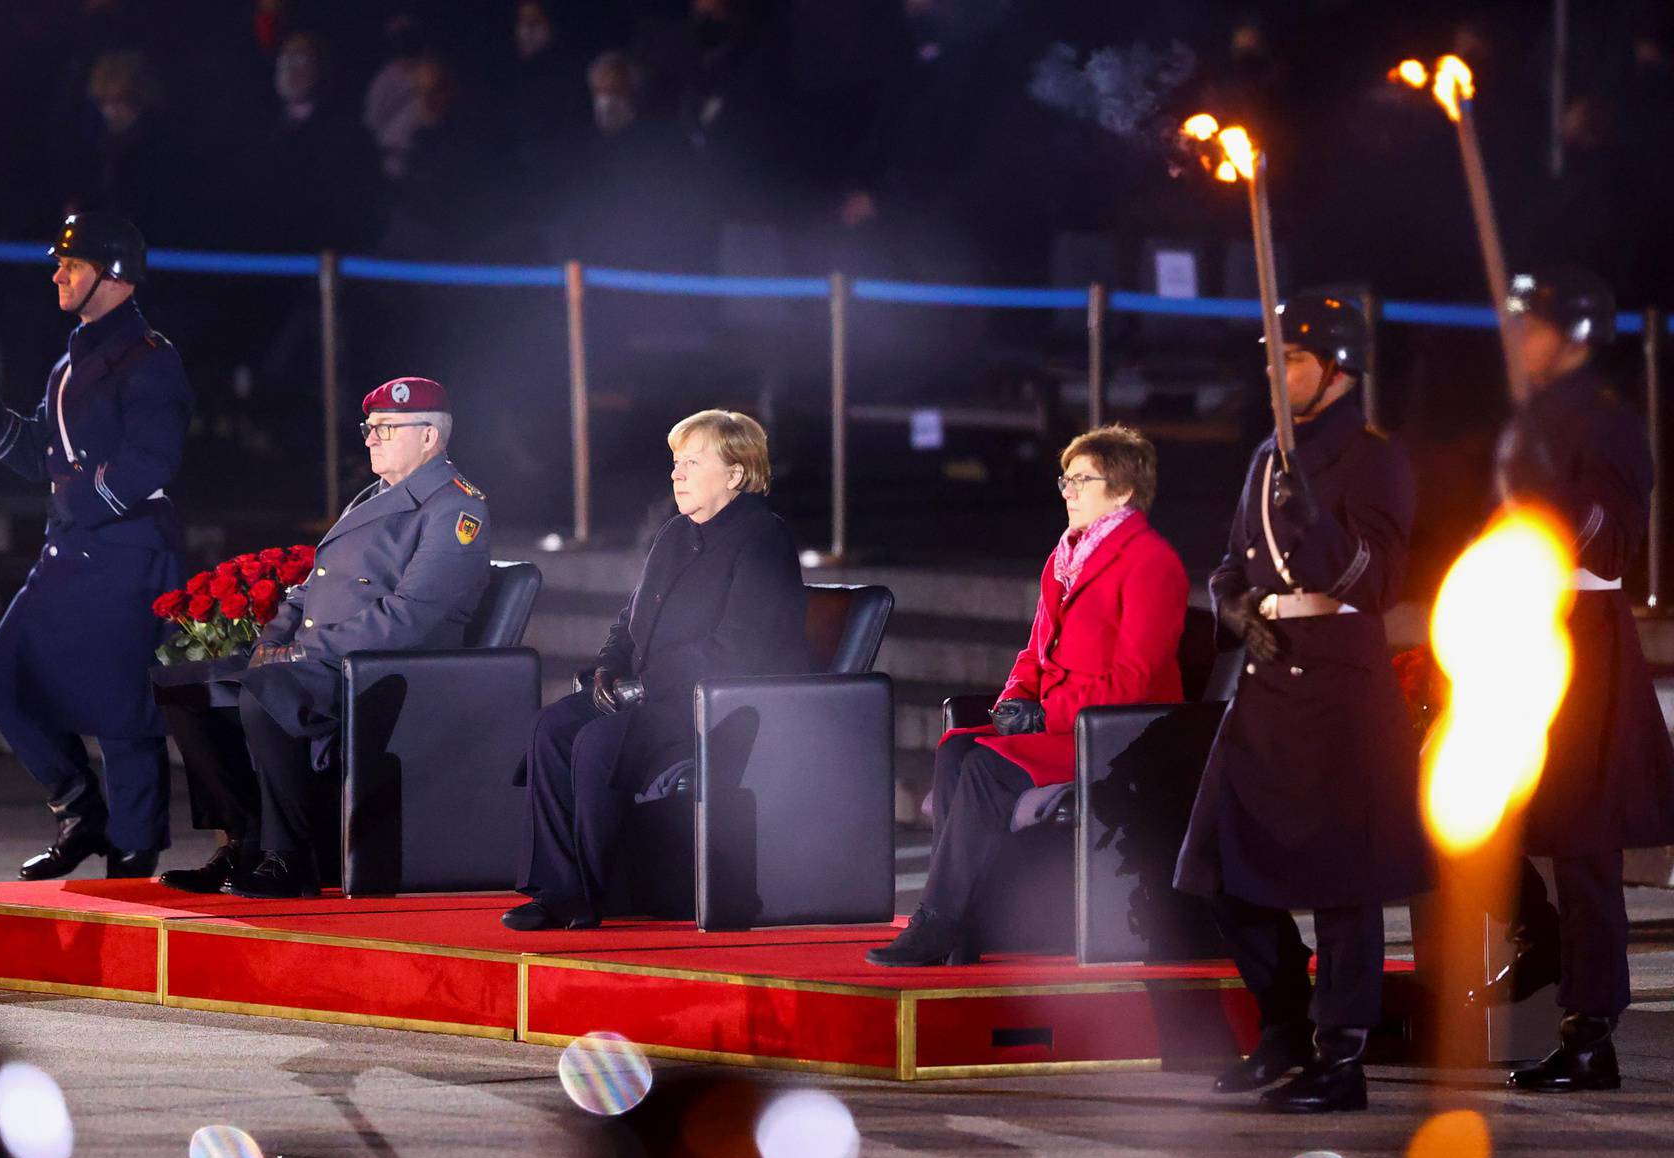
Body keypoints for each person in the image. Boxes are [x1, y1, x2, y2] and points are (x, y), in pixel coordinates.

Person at [1173, 290, 1427, 1114]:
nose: (1277, 375)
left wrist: (1313, 521)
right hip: (1266, 679)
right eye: (1273, 359)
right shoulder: (1265, 455)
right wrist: (1235, 610)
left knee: (1343, 885)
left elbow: (1374, 579)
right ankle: (1283, 1026)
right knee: (1214, 867)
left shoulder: (1374, 457)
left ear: (1339, 368)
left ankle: (1339, 1054)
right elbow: (1230, 561)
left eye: (1294, 361)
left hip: (1338, 688)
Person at [157, 377, 492, 899]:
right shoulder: (377, 494)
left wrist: (301, 652)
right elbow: (310, 584)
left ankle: (290, 858)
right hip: (327, 660)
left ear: (430, 437)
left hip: (388, 673)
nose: (370, 439)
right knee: (189, 690)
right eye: (369, 427)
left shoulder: (455, 509)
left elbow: (409, 618)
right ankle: (242, 844)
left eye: (386, 428)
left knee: (266, 693)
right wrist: (275, 635)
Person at [867, 426, 1188, 966]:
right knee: (955, 751)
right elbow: (1034, 652)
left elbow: (1133, 682)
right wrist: (1015, 701)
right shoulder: (1065, 558)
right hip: (1060, 726)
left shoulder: (1151, 562)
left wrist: (1045, 716)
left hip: (1117, 733)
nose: (1067, 490)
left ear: (1124, 490)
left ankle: (936, 922)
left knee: (987, 770)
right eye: (1066, 478)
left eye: (1082, 479)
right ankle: (968, 924)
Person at [0, 213, 191, 881]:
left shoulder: (150, 358)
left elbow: (152, 462)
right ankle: (81, 810)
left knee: (118, 706)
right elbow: (42, 455)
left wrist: (79, 500)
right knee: (1, 682)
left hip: (128, 549)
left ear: (112, 277)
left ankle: (135, 845)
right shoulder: (70, 359)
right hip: (72, 547)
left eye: (70, 266)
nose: (57, 274)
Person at [1481, 267, 1674, 1092]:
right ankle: (1543, 943)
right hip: (1521, 635)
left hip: (1582, 641)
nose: (1519, 338)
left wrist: (1555, 496)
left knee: (1586, 851)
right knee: (1487, 816)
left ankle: (1589, 1032)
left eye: (1535, 325)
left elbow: (1607, 537)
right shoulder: (1539, 420)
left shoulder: (1605, 423)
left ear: (1576, 338)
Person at [505, 410, 807, 930]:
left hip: (716, 706)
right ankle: (559, 890)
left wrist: (641, 685)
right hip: (645, 694)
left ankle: (599, 892)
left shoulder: (763, 539)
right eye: (675, 462)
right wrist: (608, 665)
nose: (676, 474)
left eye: (692, 462)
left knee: (598, 743)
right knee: (551, 728)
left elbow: (735, 647)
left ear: (734, 475)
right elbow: (630, 618)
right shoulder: (675, 532)